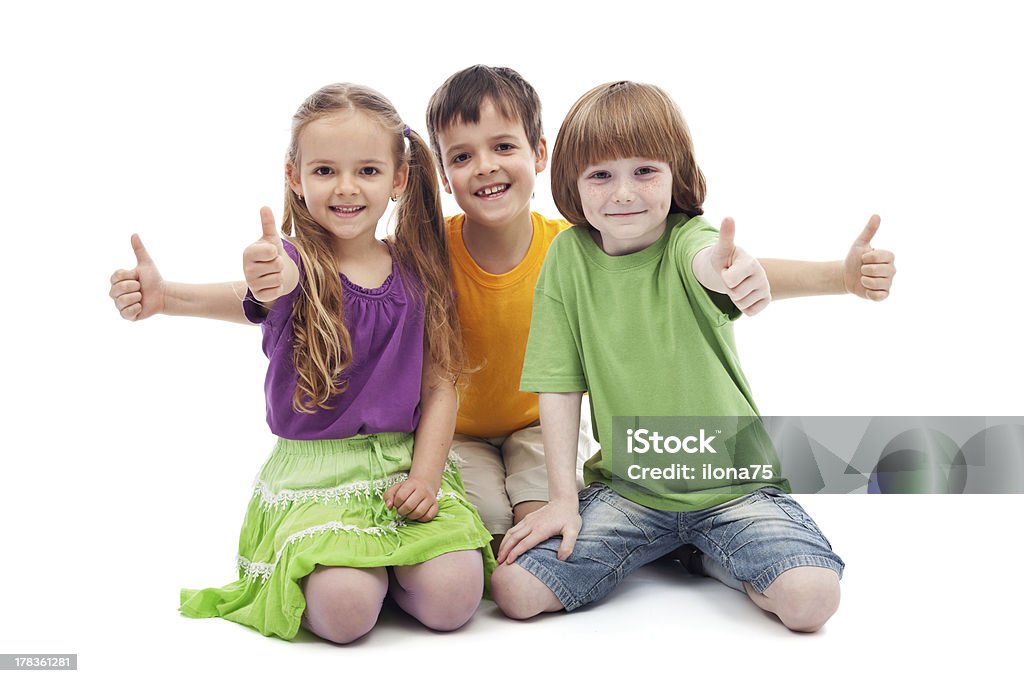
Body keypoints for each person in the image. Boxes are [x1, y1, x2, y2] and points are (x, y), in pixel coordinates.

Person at [110, 66, 894, 568]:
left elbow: (716, 264)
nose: (486, 166)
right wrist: (172, 295)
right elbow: (309, 292)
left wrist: (837, 275)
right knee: (487, 528)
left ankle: (655, 525)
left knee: (540, 516)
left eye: (504, 146)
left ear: (540, 153)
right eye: (463, 155)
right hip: (448, 432)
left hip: (535, 426)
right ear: (442, 175)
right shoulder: (422, 251)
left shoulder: (578, 245)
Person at [491, 80, 876, 633]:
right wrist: (561, 501)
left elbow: (712, 264)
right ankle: (673, 548)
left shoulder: (689, 240)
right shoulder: (567, 259)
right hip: (629, 491)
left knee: (812, 599)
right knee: (516, 589)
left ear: (677, 176)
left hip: (733, 488)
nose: (623, 192)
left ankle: (705, 555)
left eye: (645, 171)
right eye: (601, 174)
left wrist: (745, 273)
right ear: (573, 185)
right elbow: (558, 385)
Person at [116, 83, 494, 643]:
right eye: (324, 171)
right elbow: (264, 288)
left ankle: (388, 568)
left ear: (399, 179)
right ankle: (356, 572)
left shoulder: (417, 268)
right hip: (317, 476)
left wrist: (425, 475)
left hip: (402, 467)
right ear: (294, 177)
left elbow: (441, 386)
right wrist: (171, 296)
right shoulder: (294, 263)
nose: (346, 188)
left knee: (455, 597)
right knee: (344, 613)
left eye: (367, 171)